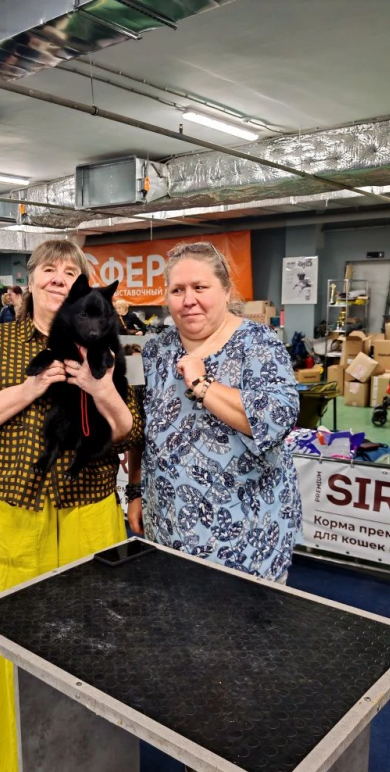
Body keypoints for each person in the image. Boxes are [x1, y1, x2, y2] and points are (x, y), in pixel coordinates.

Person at [0, 239, 142, 772]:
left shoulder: (104, 344)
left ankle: (94, 764)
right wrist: (32, 386)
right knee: (9, 642)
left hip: (88, 513)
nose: (59, 278)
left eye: (71, 271)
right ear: (29, 280)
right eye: (48, 269)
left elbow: (131, 432)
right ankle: (17, 762)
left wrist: (101, 389)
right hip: (12, 513)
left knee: (95, 643)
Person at [128, 241, 302, 583]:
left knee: (245, 616)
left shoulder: (259, 343)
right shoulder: (156, 349)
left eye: (200, 287)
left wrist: (202, 384)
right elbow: (141, 427)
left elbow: (276, 420)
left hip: (247, 536)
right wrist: (135, 491)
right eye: (177, 290)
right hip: (168, 525)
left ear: (225, 290)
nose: (188, 299)